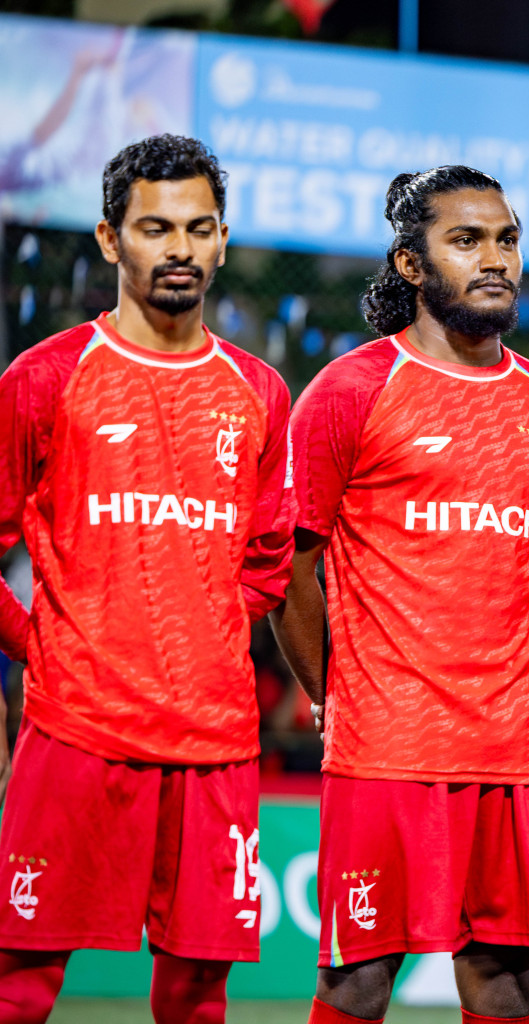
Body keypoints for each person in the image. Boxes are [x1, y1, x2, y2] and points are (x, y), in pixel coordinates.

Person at [273, 166, 529, 1024]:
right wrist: (330, 692)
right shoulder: (348, 392)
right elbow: (288, 568)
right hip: (386, 744)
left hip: (516, 747)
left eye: (508, 240)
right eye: (467, 240)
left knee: (506, 979)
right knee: (358, 981)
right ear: (411, 265)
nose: (496, 259)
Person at [0, 135, 294, 1024]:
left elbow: (268, 567)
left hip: (215, 748)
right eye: (155, 228)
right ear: (108, 239)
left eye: (198, 229)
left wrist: (195, 633)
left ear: (222, 241)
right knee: (18, 984)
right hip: (75, 734)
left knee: (200, 997)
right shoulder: (44, 380)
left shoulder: (260, 392)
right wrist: (41, 641)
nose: (179, 249)